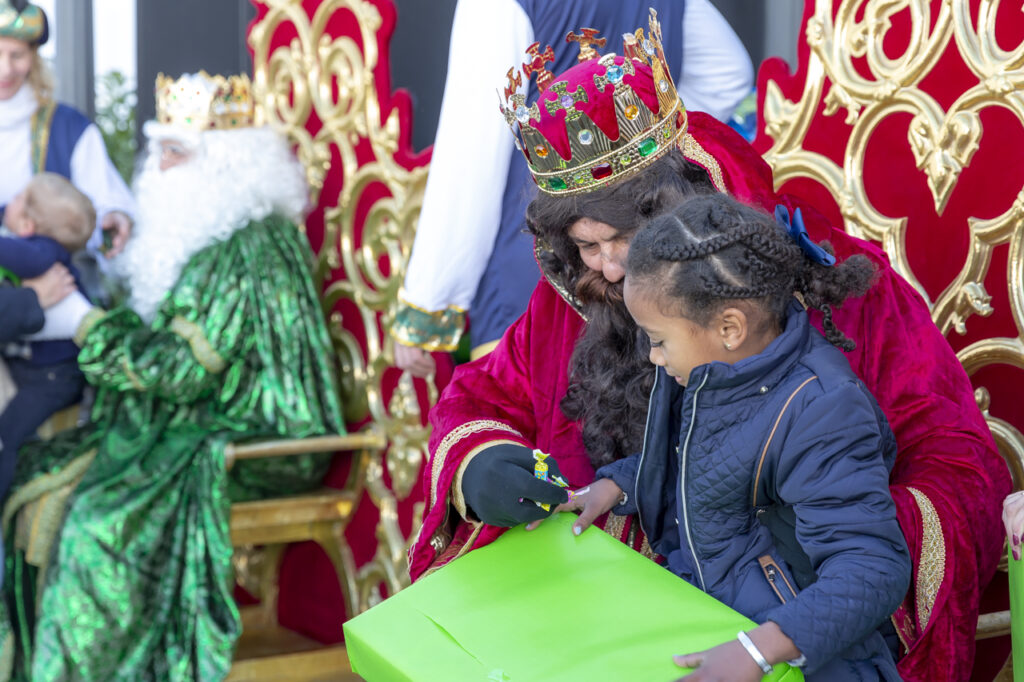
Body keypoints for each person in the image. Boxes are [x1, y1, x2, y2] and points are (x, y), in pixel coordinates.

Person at [408, 11, 1009, 682]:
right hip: (600, 630)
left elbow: (948, 473)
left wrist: (782, 549)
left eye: (624, 239)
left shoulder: (830, 321)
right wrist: (484, 465)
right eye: (587, 246)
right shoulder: (576, 294)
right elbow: (502, 401)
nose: (610, 269)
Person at [0, 71, 346, 681]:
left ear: (229, 162)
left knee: (94, 525)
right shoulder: (205, 235)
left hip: (254, 433)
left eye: (175, 153)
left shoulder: (248, 248)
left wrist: (85, 322)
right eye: (157, 149)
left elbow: (184, 370)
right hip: (193, 416)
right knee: (38, 474)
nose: (157, 168)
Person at [532, 193, 911, 679]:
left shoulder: (821, 409)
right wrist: (618, 484)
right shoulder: (715, 369)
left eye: (658, 341)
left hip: (800, 659)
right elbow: (708, 463)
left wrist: (759, 650)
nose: (653, 357)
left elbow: (872, 567)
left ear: (730, 327)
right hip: (712, 621)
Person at [392, 0, 753, 375]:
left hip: (539, 278)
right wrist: (645, 148)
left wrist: (427, 303)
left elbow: (471, 150)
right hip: (651, 262)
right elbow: (727, 73)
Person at [0, 0, 135, 266]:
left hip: (52, 277)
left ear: (34, 58)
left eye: (17, 55)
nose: (6, 69)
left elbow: (103, 203)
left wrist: (113, 217)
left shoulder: (70, 128)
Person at [0, 172, 95, 478]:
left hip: (54, 378)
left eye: (17, 198)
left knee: (7, 435)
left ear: (28, 225)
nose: (8, 202)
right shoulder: (39, 244)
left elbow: (28, 260)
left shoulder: (44, 251)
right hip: (39, 371)